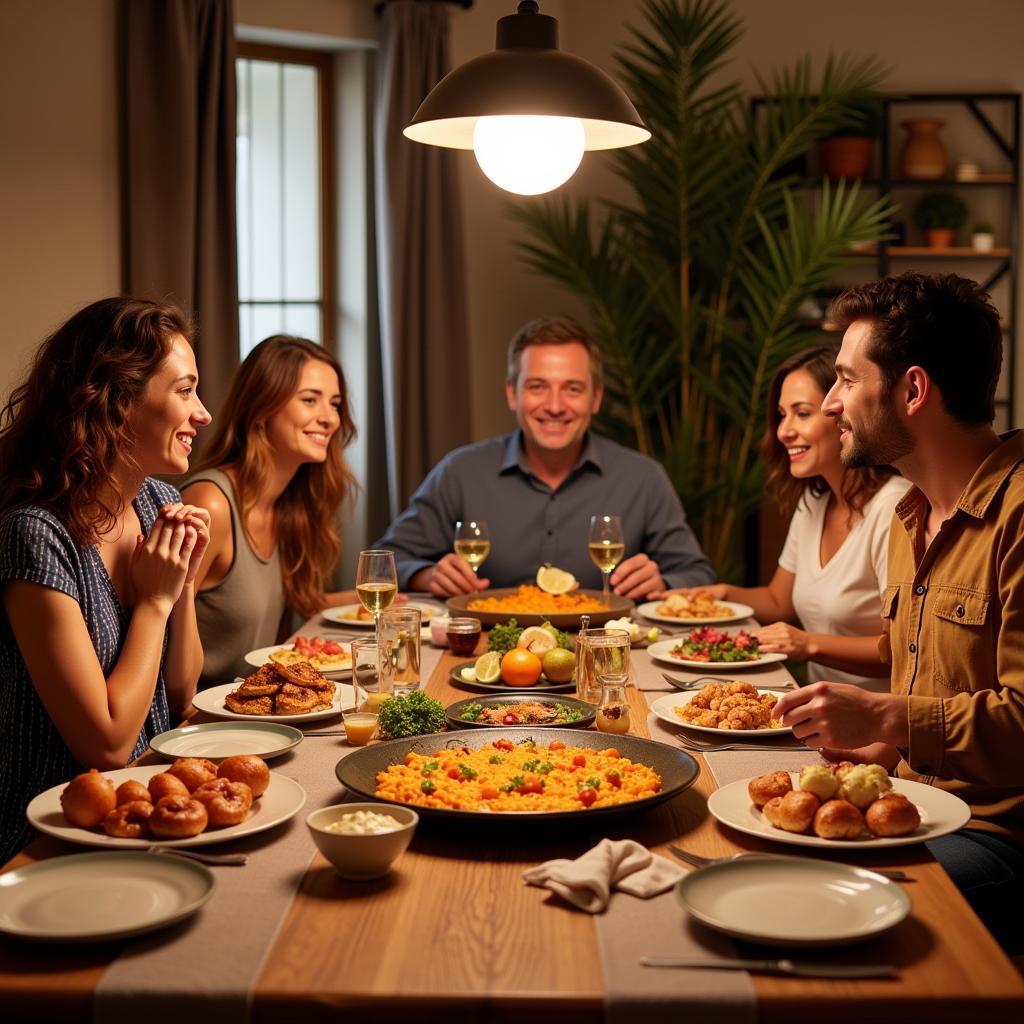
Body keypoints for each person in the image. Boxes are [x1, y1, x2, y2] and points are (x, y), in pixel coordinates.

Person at [774, 272, 1024, 954]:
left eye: (848, 381)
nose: (830, 405)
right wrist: (874, 747)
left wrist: (886, 716)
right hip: (907, 805)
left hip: (996, 839)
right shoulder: (911, 515)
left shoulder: (1020, 515)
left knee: (802, 900)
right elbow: (936, 701)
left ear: (912, 391)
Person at [0, 297, 212, 863]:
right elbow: (109, 745)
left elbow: (180, 693)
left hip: (149, 811)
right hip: (52, 838)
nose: (204, 413)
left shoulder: (157, 503)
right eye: (185, 390)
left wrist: (182, 583)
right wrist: (155, 601)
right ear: (118, 403)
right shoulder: (36, 534)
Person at [375, 316, 714, 599]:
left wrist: (665, 582)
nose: (554, 405)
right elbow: (387, 563)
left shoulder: (643, 478)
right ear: (513, 393)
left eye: (572, 388)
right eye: (537, 386)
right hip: (483, 656)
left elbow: (697, 573)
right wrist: (428, 575)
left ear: (595, 398)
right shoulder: (460, 472)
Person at [659, 346, 907, 689]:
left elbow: (905, 651)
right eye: (781, 414)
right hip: (819, 710)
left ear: (842, 414)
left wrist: (807, 644)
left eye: (802, 413)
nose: (783, 431)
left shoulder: (893, 507)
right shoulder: (814, 501)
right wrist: (719, 593)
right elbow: (779, 601)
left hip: (876, 728)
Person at [182, 335, 359, 688]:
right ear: (261, 410)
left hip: (260, 705)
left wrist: (385, 599)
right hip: (200, 721)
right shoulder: (211, 504)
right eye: (310, 400)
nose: (329, 418)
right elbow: (157, 637)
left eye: (335, 403)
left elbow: (294, 602)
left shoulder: (288, 504)